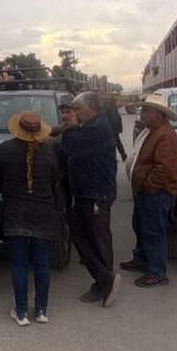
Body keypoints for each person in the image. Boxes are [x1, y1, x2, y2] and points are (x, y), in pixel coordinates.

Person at [0, 111, 60, 326]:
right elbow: (55, 181)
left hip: (16, 212)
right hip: (43, 211)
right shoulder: (50, 149)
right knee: (41, 262)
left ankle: (21, 312)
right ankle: (42, 310)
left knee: (19, 264)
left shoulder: (6, 149)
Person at [61, 92, 123, 307]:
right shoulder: (93, 126)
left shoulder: (97, 129)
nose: (75, 114)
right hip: (88, 192)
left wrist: (69, 127)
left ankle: (105, 281)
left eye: (78, 110)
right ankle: (103, 279)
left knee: (98, 239)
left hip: (95, 193)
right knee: (82, 236)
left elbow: (70, 146)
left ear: (90, 108)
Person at [120, 93, 177, 287]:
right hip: (147, 191)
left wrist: (148, 185)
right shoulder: (153, 131)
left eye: (146, 111)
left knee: (154, 231)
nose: (142, 114)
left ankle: (157, 272)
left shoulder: (166, 135)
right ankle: (142, 259)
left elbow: (164, 169)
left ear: (157, 114)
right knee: (141, 226)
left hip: (156, 193)